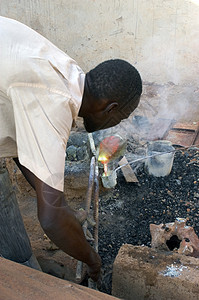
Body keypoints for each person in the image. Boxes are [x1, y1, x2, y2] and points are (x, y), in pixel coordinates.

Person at [0, 16, 142, 282]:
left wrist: (62, 204)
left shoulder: (66, 72)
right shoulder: (52, 102)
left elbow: (26, 151)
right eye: (118, 118)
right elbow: (51, 220)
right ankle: (22, 277)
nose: (112, 125)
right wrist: (92, 259)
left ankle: (22, 267)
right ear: (110, 108)